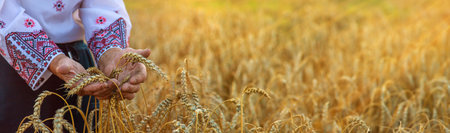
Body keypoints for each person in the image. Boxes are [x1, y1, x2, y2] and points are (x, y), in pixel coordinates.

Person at [0, 0, 149, 132]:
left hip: (76, 62)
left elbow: (103, 5)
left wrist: (110, 52)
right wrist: (52, 59)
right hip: (14, 64)